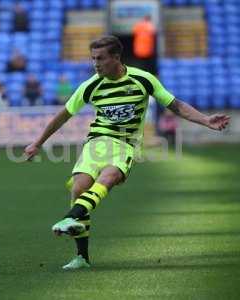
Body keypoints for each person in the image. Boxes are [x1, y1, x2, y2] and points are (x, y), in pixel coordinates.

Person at [24, 36, 230, 270]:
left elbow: (176, 105)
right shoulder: (91, 85)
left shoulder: (143, 79)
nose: (96, 64)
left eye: (100, 58)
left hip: (125, 144)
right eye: (93, 58)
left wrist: (205, 120)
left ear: (116, 58)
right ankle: (82, 257)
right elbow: (63, 115)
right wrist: (38, 142)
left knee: (109, 178)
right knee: (79, 187)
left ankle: (72, 215)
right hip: (96, 143)